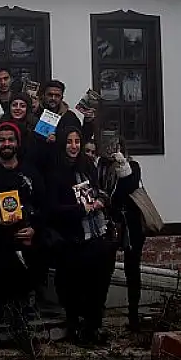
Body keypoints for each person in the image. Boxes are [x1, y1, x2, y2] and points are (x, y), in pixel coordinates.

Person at [0, 122, 47, 356]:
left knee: (23, 294)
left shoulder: (30, 174)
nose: (6, 144)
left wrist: (34, 228)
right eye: (2, 140)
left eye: (10, 140)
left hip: (25, 244)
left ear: (17, 143)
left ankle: (23, 334)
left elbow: (43, 206)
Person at [45, 127, 116, 346]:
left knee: (98, 285)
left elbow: (100, 190)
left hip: (96, 235)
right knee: (73, 287)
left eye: (77, 141)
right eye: (69, 141)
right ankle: (75, 327)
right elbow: (51, 208)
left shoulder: (88, 167)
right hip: (72, 239)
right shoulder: (55, 172)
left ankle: (93, 327)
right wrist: (79, 210)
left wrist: (101, 200)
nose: (74, 146)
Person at [97, 137, 144, 332]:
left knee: (132, 269)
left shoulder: (133, 166)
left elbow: (129, 186)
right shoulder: (100, 168)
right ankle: (97, 315)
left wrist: (122, 166)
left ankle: (134, 316)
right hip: (110, 222)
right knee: (104, 268)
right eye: (109, 147)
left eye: (117, 147)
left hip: (131, 225)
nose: (113, 150)